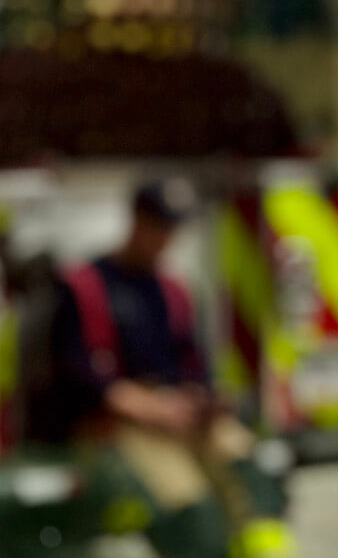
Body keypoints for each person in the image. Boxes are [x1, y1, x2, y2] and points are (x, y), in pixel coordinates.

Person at [24, 179, 292, 558]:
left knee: (248, 464)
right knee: (188, 503)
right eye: (160, 226)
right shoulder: (85, 287)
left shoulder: (171, 289)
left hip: (178, 412)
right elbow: (81, 377)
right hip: (118, 423)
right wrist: (151, 409)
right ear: (137, 220)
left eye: (173, 228)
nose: (167, 238)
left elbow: (192, 363)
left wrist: (203, 398)